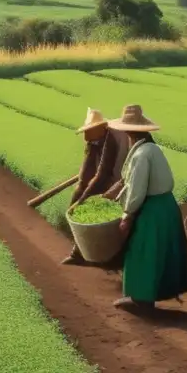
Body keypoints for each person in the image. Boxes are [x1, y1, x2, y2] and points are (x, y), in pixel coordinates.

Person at [106, 104, 187, 310]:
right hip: (165, 207)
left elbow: (137, 189)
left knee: (142, 251)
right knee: (161, 252)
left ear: (128, 130)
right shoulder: (150, 148)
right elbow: (130, 180)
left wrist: (127, 215)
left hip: (152, 209)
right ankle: (150, 294)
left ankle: (141, 298)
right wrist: (114, 192)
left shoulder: (140, 154)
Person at [62, 108, 130, 265]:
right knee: (80, 194)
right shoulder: (93, 140)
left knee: (118, 214)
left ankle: (115, 255)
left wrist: (82, 200)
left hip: (122, 176)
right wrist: (79, 193)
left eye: (89, 130)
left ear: (100, 127)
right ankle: (78, 252)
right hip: (109, 175)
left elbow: (103, 174)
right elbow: (87, 172)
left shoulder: (112, 137)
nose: (86, 135)